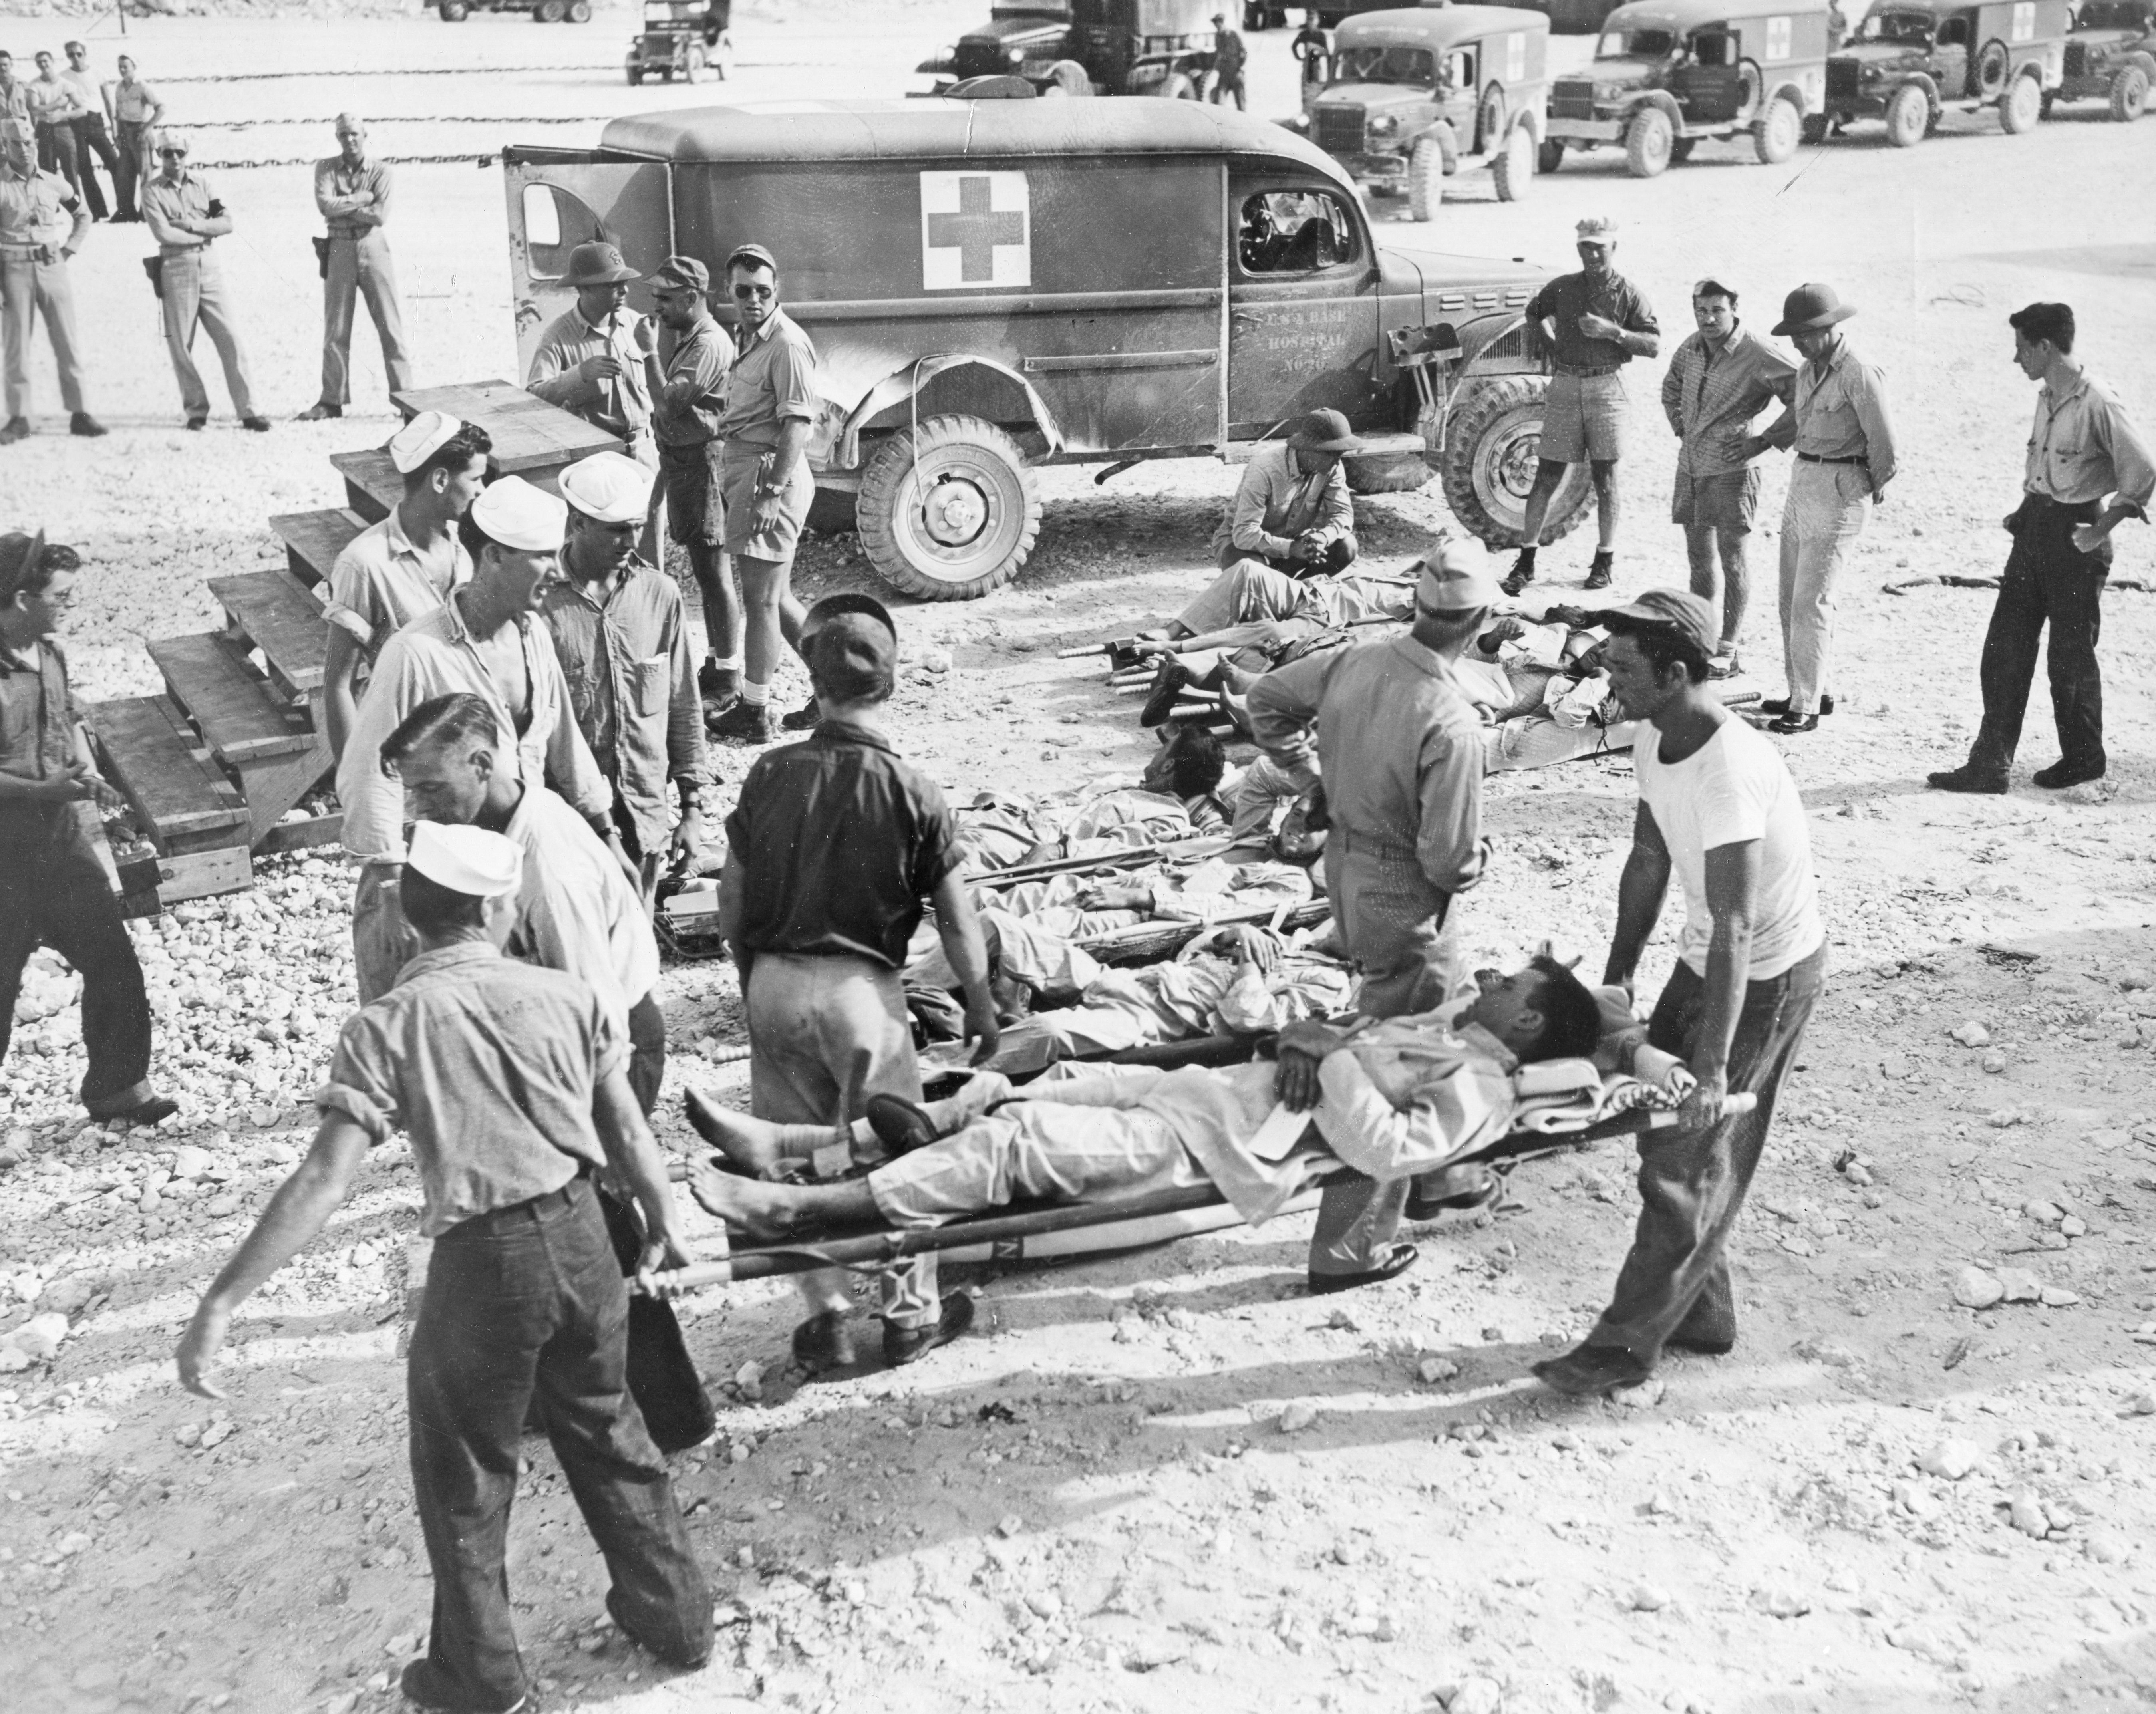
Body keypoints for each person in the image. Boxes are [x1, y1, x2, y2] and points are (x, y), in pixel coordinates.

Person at [174, 822, 711, 1712]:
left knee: (464, 1470)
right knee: (610, 1429)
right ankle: (679, 1622)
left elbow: (324, 1178)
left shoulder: (386, 1026)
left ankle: (482, 1678)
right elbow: (625, 1128)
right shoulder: (568, 995)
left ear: (406, 918)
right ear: (496, 911)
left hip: (485, 1263)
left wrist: (222, 1302)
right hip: (583, 1234)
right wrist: (664, 1221)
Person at [679, 959, 1607, 1256]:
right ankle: (800, 1146)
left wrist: (1326, 1055)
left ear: (1527, 1022)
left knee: (1018, 1140)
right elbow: (1329, 1035)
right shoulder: (1452, 1033)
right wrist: (1310, 1036)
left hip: (1221, 1145)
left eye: (1509, 987)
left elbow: (1390, 1153)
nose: (1490, 981)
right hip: (1207, 1094)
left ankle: (800, 1207)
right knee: (1017, 1087)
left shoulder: (1480, 1089)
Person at [381, 697, 714, 1457]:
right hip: (552, 1050)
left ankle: (672, 1413)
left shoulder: (547, 867)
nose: (415, 809)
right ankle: (557, 1392)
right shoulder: (490, 832)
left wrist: (601, 1137)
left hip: (605, 1049)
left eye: (429, 788)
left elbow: (594, 1018)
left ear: (481, 764)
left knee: (601, 1231)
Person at [1531, 589, 1825, 1398]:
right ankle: (1702, 1313)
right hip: (1710, 959)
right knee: (1667, 1130)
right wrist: (1619, 977)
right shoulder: (1653, 736)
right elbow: (1648, 860)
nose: (1609, 681)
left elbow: (1735, 923)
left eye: (1624, 669)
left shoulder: (1729, 769)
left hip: (1766, 972)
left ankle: (1620, 1349)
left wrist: (1715, 1069)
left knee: (1684, 1153)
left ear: (1675, 672)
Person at [719, 594, 998, 1370]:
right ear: (893, 682)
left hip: (775, 983)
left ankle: (831, 1318)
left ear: (813, 685)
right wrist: (981, 1009)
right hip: (863, 995)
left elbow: (731, 899)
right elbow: (958, 922)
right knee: (898, 1153)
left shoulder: (769, 774)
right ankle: (910, 1318)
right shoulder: (913, 789)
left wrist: (753, 978)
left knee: (795, 1162)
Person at [1246, 545, 1496, 1290]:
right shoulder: (1451, 720)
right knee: (1393, 1059)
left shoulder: (1356, 660)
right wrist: (1480, 859)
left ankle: (1438, 1176)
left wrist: (1313, 778)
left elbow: (1266, 700)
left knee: (1436, 1022)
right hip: (1405, 894)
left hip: (1347, 871)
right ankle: (1348, 1247)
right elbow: (1449, 862)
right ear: (1481, 620)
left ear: (1416, 605)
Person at [337, 476, 625, 1005]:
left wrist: (606, 833)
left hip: (508, 866)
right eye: (542, 556)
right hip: (427, 880)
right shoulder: (417, 653)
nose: (558, 570)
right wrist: (391, 890)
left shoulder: (535, 636)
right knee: (416, 1018)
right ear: (493, 556)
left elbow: (564, 742)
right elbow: (367, 771)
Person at [1929, 302, 2154, 795]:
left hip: (2077, 536)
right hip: (2035, 530)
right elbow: (2046, 467)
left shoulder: (2099, 400)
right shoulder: (2048, 396)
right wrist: (2024, 511)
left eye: (2022, 349)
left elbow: (2144, 470)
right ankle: (1990, 766)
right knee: (2004, 648)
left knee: (2069, 659)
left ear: (2045, 346)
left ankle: (2084, 758)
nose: (2017, 359)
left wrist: (2099, 531)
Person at [0, 534, 175, 1128]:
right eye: (61, 595)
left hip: (61, 842)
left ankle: (117, 1086)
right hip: (5, 856)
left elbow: (68, 719)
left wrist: (89, 773)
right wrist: (45, 790)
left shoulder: (49, 654)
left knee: (113, 960)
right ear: (22, 599)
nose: (71, 605)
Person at [543, 449, 711, 885]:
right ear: (578, 523)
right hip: (568, 823)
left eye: (637, 527)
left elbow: (683, 705)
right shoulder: (539, 603)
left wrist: (691, 811)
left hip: (644, 819)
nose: (632, 541)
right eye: (618, 530)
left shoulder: (660, 595)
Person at [1746, 282, 1896, 734]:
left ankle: (1806, 706)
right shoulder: (1808, 370)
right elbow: (1798, 421)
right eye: (1793, 334)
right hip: (1804, 480)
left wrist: (1868, 489)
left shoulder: (1858, 373)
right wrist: (1760, 443)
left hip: (1841, 485)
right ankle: (1807, 690)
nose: (1797, 342)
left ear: (1830, 327)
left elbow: (1885, 447)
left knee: (1812, 600)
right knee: (1790, 598)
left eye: (1804, 334)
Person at [320, 411, 491, 760]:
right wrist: (355, 776)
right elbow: (339, 685)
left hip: (472, 747)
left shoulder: (468, 547)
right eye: (476, 478)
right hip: (406, 754)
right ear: (440, 480)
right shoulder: (365, 563)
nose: (482, 490)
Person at [1503, 217, 1660, 598]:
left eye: (1599, 247)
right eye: (1585, 247)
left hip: (1607, 388)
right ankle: (1525, 561)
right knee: (1547, 474)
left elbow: (1653, 345)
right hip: (1566, 385)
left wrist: (1614, 333)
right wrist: (1550, 345)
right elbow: (1533, 312)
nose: (1592, 254)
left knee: (1606, 478)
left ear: (1613, 249)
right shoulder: (1563, 287)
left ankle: (1604, 561)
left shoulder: (1628, 294)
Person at [710, 243, 820, 743]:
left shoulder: (786, 343)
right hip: (751, 472)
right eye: (743, 292)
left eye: (762, 292)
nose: (753, 300)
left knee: (761, 602)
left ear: (778, 291)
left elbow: (797, 423)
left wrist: (772, 492)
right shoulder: (751, 336)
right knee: (777, 597)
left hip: (768, 476)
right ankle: (836, 688)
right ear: (729, 292)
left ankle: (754, 712)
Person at [1657, 278, 1795, 676]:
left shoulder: (1758, 352)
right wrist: (1682, 428)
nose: (1708, 319)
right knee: (1699, 559)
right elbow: (1670, 388)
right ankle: (1701, 638)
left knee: (1732, 559)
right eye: (1701, 311)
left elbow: (1804, 395)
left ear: (1735, 309)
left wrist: (1764, 441)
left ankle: (1728, 648)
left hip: (1733, 471)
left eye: (1717, 310)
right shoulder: (1690, 346)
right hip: (1692, 467)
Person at [636, 254, 738, 720]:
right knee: (704, 569)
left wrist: (648, 353)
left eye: (665, 298)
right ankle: (717, 666)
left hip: (703, 466)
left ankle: (729, 678)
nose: (657, 306)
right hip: (686, 465)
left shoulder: (709, 344)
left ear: (693, 297)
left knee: (714, 573)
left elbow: (668, 404)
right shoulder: (693, 340)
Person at [141, 129, 268, 432]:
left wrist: (190, 225)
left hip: (209, 267)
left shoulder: (203, 185)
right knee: (181, 344)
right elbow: (163, 233)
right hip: (176, 267)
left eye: (180, 153)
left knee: (230, 337)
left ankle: (249, 410)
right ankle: (196, 410)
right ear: (159, 155)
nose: (174, 159)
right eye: (167, 153)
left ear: (187, 154)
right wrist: (204, 232)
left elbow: (227, 223)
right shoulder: (151, 191)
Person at [298, 114, 415, 421]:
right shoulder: (326, 168)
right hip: (338, 247)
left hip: (373, 246)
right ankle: (331, 401)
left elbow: (379, 216)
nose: (349, 140)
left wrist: (343, 206)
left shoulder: (381, 171)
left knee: (390, 326)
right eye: (343, 135)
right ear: (337, 138)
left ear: (365, 135)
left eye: (354, 134)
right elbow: (325, 206)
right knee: (336, 327)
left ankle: (407, 401)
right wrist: (363, 198)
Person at [0, 123, 102, 443]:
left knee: (67, 340)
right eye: (16, 144)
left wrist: (70, 249)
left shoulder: (54, 182)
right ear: (5, 146)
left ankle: (80, 414)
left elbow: (84, 215)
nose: (24, 149)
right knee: (17, 345)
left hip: (52, 267)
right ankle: (19, 418)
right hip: (14, 270)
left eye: (28, 142)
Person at [527, 239, 653, 458]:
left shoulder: (635, 323)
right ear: (584, 287)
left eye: (624, 282)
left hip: (645, 448)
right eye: (613, 285)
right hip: (598, 456)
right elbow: (533, 398)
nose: (624, 290)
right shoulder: (558, 336)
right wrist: (580, 375)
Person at [1210, 408, 1362, 577]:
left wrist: (1325, 536)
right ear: (1310, 450)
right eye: (1333, 454)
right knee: (1256, 573)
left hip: (1291, 545)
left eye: (1340, 454)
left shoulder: (1332, 467)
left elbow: (1342, 513)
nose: (1338, 462)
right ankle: (1270, 587)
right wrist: (1291, 548)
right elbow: (1244, 534)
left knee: (1347, 547)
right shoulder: (1263, 471)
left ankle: (1299, 590)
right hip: (1242, 546)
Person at [58, 43, 116, 224]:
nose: (76, 58)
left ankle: (125, 208)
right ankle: (99, 212)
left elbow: (108, 101)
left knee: (114, 163)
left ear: (85, 53)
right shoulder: (64, 76)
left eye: (79, 54)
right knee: (85, 169)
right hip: (76, 123)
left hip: (96, 121)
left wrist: (114, 126)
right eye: (71, 55)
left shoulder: (97, 73)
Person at [101, 53, 162, 224]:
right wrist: (118, 134)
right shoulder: (119, 88)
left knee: (145, 174)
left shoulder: (142, 86)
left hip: (140, 132)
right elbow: (118, 113)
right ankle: (126, 212)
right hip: (125, 133)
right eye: (120, 67)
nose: (122, 70)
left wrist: (147, 129)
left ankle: (146, 213)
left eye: (126, 67)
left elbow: (161, 108)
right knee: (124, 174)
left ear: (134, 67)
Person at [26, 52, 86, 212]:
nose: (43, 65)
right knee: (47, 171)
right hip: (44, 129)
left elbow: (83, 110)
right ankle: (50, 209)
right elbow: (34, 109)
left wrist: (63, 114)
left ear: (52, 61)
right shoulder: (34, 85)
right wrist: (57, 104)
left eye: (46, 61)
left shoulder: (66, 85)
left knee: (71, 170)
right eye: (39, 62)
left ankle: (77, 209)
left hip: (64, 128)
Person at [1211, 12, 1248, 108]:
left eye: (1218, 23)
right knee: (1219, 104)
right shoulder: (1217, 36)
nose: (1216, 26)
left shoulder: (1233, 35)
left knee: (1241, 105)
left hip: (1236, 74)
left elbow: (1244, 51)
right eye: (1215, 24)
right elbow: (1218, 53)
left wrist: (1238, 65)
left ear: (1222, 22)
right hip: (1224, 75)